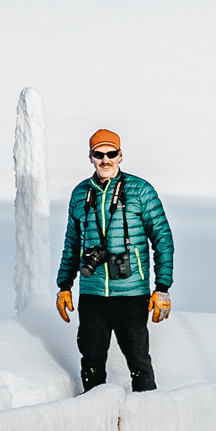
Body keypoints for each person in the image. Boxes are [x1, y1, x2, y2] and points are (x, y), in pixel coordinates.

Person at [55, 128, 173, 394]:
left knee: (139, 363)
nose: (105, 160)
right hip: (93, 293)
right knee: (91, 363)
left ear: (120, 156)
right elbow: (72, 244)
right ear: (91, 157)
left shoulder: (140, 191)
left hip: (131, 293)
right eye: (99, 154)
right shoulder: (80, 194)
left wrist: (162, 288)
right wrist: (64, 285)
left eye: (111, 154)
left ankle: (148, 418)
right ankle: (97, 422)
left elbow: (163, 238)